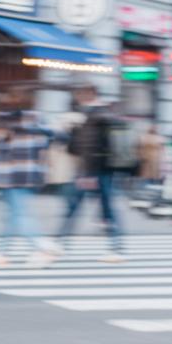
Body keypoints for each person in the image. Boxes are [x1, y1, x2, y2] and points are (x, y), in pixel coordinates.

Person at [57, 86, 126, 263]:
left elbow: (87, 145)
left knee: (104, 209)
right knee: (77, 206)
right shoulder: (84, 117)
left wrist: (81, 123)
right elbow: (75, 148)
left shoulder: (100, 114)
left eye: (80, 95)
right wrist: (70, 131)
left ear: (90, 95)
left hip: (99, 172)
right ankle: (60, 243)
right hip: (88, 170)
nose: (79, 99)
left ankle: (116, 248)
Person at [0, 110, 58, 267]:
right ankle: (0, 252)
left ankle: (41, 247)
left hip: (10, 178)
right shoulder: (37, 130)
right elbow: (45, 148)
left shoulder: (5, 128)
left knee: (21, 215)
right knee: (13, 216)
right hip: (28, 177)